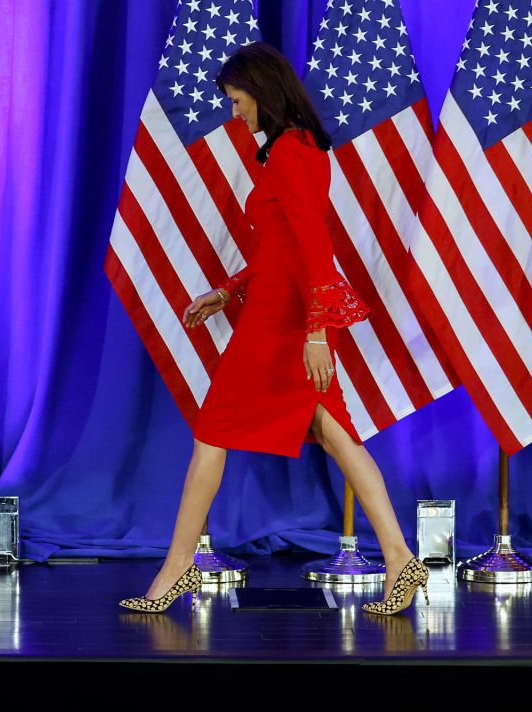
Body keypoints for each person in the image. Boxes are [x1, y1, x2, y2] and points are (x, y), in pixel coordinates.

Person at [118, 42, 428, 617]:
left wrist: (314, 331)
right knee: (335, 432)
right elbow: (279, 250)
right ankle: (400, 557)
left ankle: (174, 571)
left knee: (214, 432)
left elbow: (315, 250)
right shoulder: (294, 149)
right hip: (277, 312)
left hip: (286, 325)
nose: (235, 113)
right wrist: (227, 291)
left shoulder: (292, 152)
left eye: (237, 101)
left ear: (262, 92)